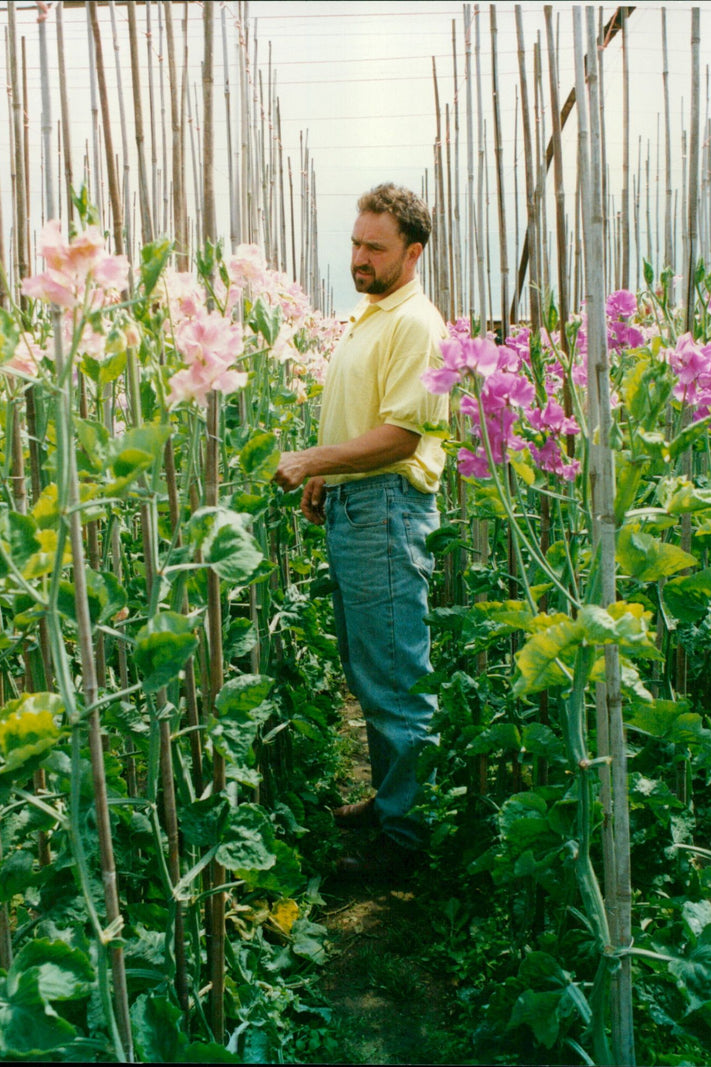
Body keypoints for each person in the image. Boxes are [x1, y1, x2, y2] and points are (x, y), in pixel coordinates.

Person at [274, 183, 448, 877]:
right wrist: (329, 476)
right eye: (355, 243)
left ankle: (406, 842)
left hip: (387, 510)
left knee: (396, 678)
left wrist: (315, 459)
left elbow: (404, 435)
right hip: (358, 505)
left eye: (375, 248)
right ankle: (389, 800)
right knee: (368, 669)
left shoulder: (416, 324)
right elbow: (364, 417)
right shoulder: (370, 317)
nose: (360, 258)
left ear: (413, 251)